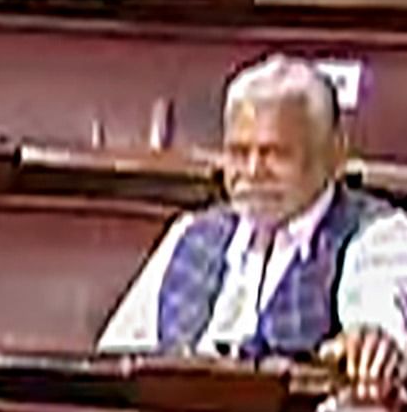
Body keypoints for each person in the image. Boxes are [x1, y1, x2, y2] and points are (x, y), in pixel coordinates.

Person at [99, 55, 407, 379]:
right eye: (239, 152)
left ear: (333, 154)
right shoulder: (189, 234)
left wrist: (368, 342)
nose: (252, 172)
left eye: (275, 154)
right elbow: (114, 362)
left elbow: (378, 325)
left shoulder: (377, 235)